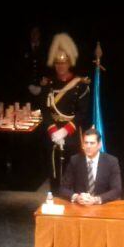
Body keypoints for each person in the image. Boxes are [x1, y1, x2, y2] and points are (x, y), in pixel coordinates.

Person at [38, 33, 91, 193]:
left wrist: (65, 131)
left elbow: (83, 113)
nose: (60, 67)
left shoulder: (80, 85)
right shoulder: (50, 84)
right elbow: (45, 111)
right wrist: (54, 130)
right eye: (57, 64)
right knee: (54, 170)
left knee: (73, 168)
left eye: (63, 63)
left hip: (72, 132)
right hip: (53, 131)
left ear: (69, 64)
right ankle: (54, 197)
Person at [59, 128, 122, 204]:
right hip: (81, 206)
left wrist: (96, 199)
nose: (88, 146)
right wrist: (76, 197)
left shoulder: (111, 161)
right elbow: (63, 188)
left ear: (99, 145)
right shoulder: (75, 160)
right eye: (86, 143)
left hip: (103, 206)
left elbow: (117, 190)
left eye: (92, 143)